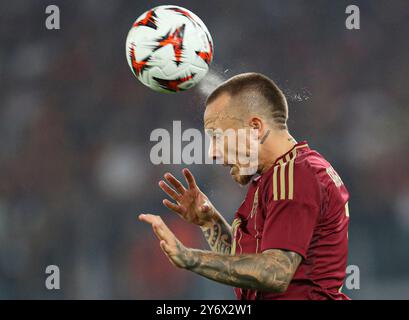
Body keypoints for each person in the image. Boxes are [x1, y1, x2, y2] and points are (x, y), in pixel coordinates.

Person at [139, 73, 350, 300]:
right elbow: (250, 268)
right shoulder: (276, 177)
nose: (212, 153)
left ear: (255, 128)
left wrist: (190, 257)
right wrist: (210, 222)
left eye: (217, 137)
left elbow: (275, 273)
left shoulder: (295, 174)